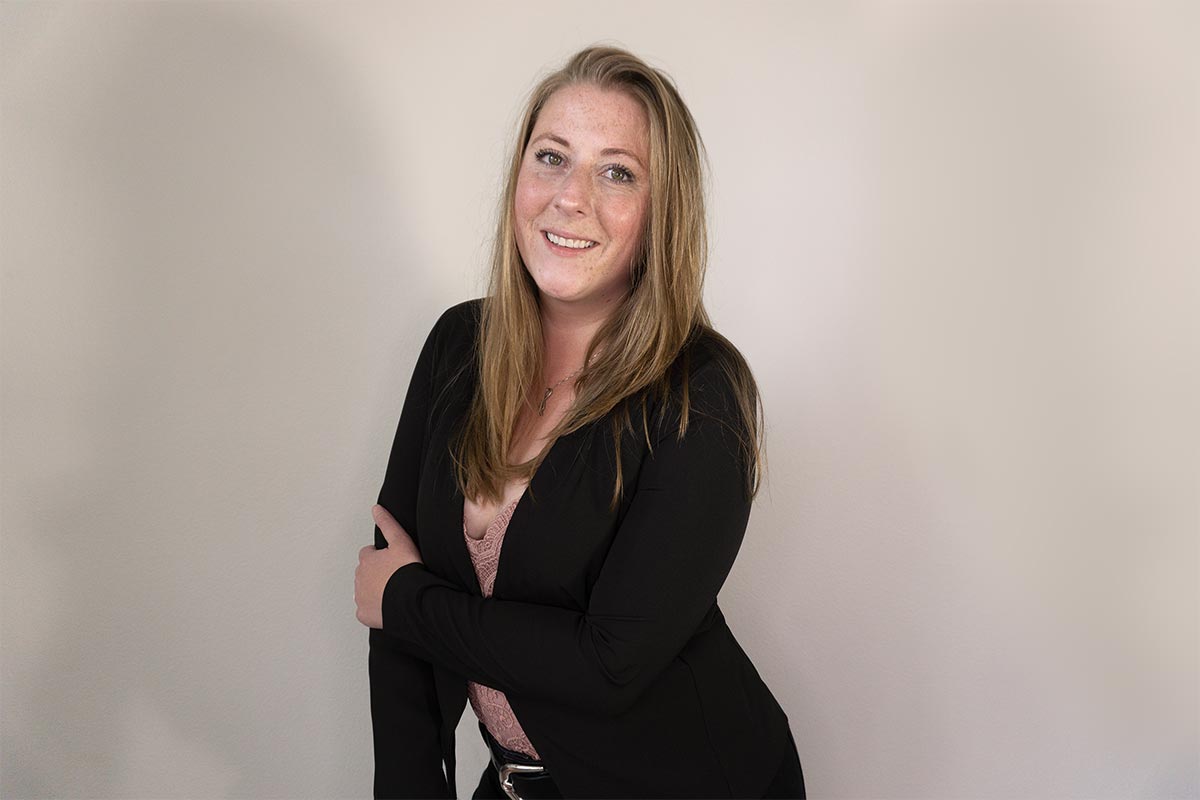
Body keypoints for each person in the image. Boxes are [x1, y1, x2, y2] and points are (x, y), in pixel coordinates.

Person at [354, 45, 807, 799]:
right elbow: (398, 615)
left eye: (617, 172)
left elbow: (607, 664)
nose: (571, 197)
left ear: (662, 212)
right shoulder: (456, 348)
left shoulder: (702, 393)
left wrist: (407, 602)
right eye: (552, 157)